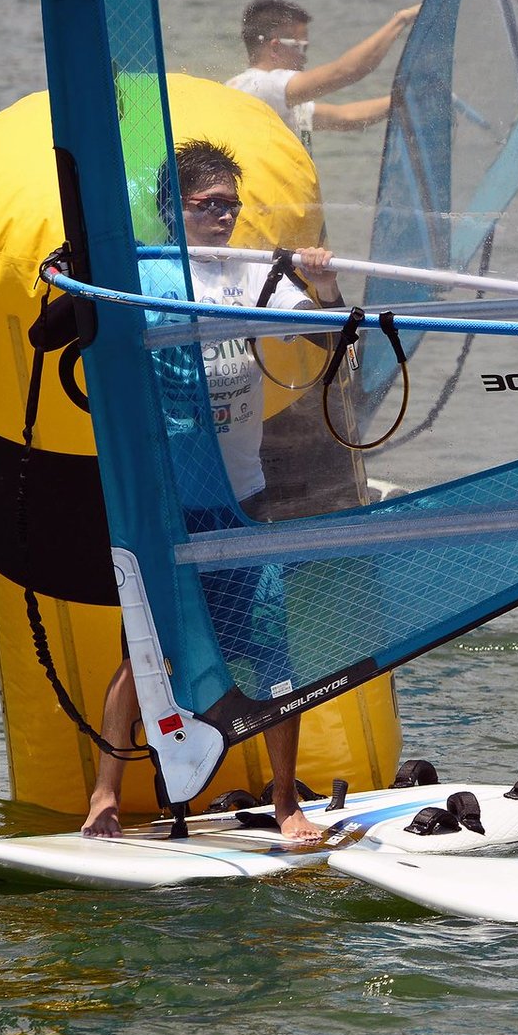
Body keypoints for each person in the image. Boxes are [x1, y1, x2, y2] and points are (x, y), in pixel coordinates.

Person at [82, 139, 343, 841]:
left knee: (272, 655)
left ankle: (285, 802)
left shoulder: (255, 273)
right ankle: (105, 796)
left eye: (232, 203)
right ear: (176, 210)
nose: (224, 215)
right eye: (208, 205)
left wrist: (323, 284)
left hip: (241, 500)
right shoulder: (144, 274)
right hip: (167, 508)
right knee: (145, 653)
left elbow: (329, 341)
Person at [226, 0, 419, 151]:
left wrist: (406, 98)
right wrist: (400, 21)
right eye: (301, 48)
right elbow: (347, 71)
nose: (304, 59)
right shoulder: (259, 86)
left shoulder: (267, 96)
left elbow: (346, 118)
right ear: (275, 47)